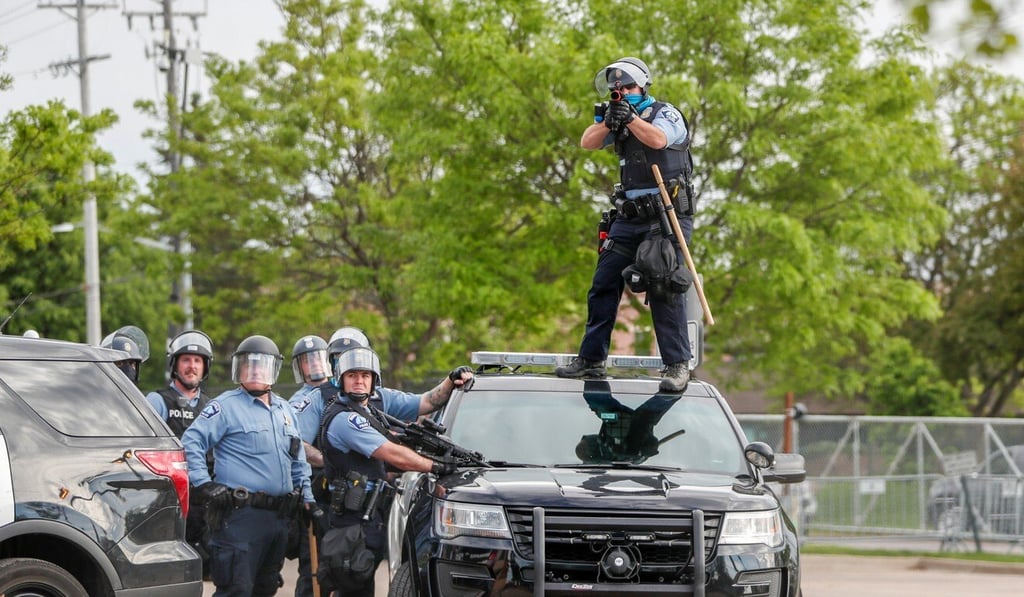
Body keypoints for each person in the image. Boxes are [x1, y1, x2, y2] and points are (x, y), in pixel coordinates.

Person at [556, 56, 694, 392]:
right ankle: (591, 359)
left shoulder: (664, 113)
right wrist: (610, 122)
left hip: (665, 216)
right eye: (617, 88)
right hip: (629, 217)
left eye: (628, 86)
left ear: (643, 85)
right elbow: (587, 141)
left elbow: (659, 140)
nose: (622, 92)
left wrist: (631, 118)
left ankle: (677, 364)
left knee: (663, 285)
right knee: (603, 282)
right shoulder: (614, 115)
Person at [316, 346, 473, 596]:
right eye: (352, 375)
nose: (359, 381)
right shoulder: (345, 419)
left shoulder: (370, 411)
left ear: (373, 381)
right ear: (341, 380)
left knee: (361, 585)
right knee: (350, 586)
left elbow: (426, 402)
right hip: (351, 521)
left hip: (368, 516)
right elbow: (392, 453)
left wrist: (450, 381)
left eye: (365, 376)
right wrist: (435, 466)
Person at [182, 335, 315, 597]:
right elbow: (191, 442)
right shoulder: (224, 407)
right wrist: (204, 483)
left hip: (278, 519)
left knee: (265, 589)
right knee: (237, 589)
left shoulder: (285, 410)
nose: (254, 370)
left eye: (261, 364)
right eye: (248, 364)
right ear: (239, 369)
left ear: (273, 370)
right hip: (239, 518)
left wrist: (307, 498)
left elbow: (298, 458)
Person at [144, 328, 215, 574]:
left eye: (197, 361)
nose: (192, 366)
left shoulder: (213, 406)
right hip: (171, 500)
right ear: (175, 364)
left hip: (206, 503)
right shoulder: (157, 401)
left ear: (205, 367)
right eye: (186, 360)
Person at [287, 334, 332, 597]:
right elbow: (298, 445)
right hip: (317, 493)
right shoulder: (300, 401)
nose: (314, 363)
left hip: (349, 493)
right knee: (314, 568)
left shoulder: (341, 389)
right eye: (307, 360)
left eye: (318, 356)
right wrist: (331, 463)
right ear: (299, 367)